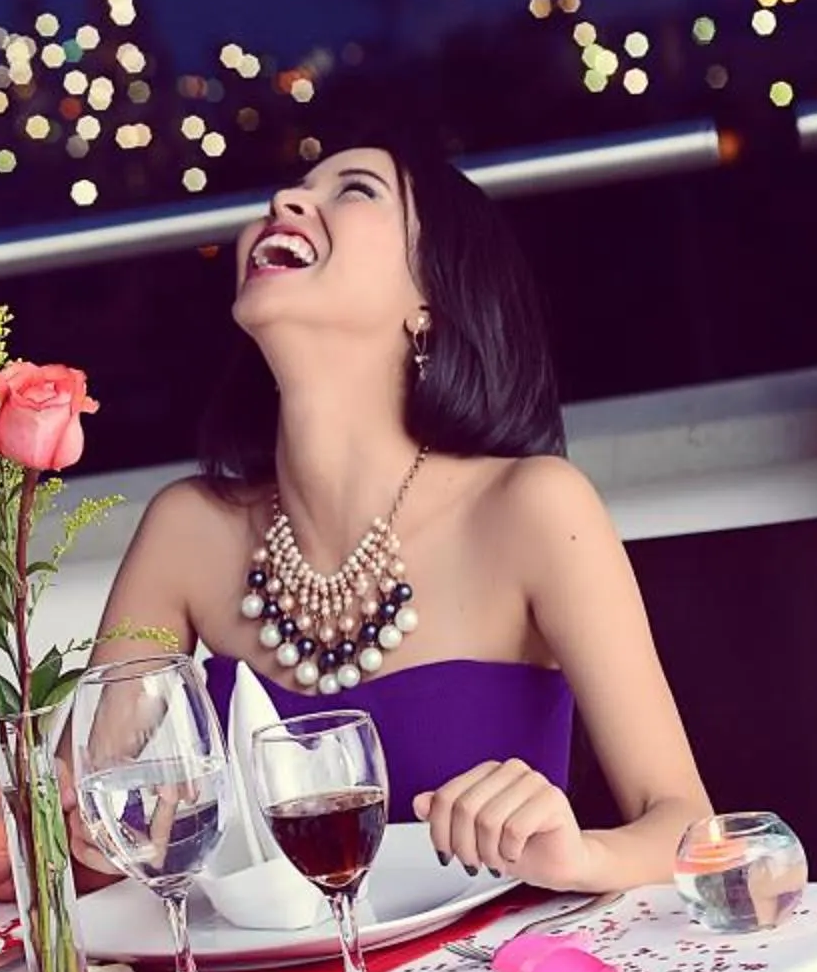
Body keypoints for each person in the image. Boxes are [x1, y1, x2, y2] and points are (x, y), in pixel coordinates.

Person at [87, 128, 713, 894]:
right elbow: (96, 825)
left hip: (498, 966)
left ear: (431, 301)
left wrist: (578, 856)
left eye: (354, 189)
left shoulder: (533, 508)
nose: (284, 202)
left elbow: (684, 825)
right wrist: (13, 838)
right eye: (292, 191)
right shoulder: (187, 530)